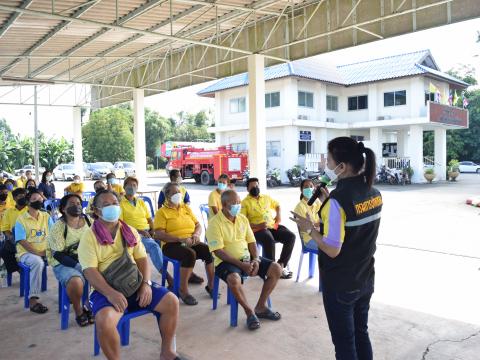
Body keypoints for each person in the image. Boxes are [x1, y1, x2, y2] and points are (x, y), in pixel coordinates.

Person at [291, 137, 382, 360]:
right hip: (365, 278)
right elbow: (351, 227)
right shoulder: (374, 194)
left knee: (344, 343)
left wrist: (308, 228)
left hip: (341, 284)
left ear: (341, 166)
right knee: (361, 334)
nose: (326, 167)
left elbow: (332, 249)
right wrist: (329, 201)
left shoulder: (337, 202)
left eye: (329, 161)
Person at [78, 190, 180, 360]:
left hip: (135, 283)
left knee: (171, 301)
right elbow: (89, 271)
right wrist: (111, 293)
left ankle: (167, 352)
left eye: (115, 203)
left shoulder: (129, 230)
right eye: (106, 205)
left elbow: (141, 259)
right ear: (96, 211)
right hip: (107, 288)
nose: (113, 207)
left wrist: (146, 284)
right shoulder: (89, 237)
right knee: (104, 320)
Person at [207, 190, 282, 330]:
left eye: (239, 202)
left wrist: (256, 260)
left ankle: (260, 306)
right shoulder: (214, 223)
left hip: (247, 259)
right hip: (226, 262)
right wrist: (242, 265)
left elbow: (252, 242)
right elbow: (218, 252)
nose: (238, 205)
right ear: (224, 204)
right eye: (234, 203)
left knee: (276, 269)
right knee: (234, 279)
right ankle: (249, 313)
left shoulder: (242, 219)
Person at [154, 182, 214, 306]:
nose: (178, 194)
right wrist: (180, 239)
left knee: (208, 250)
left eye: (179, 192)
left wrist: (196, 235)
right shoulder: (162, 212)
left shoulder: (185, 208)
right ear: (167, 195)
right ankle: (183, 290)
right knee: (189, 254)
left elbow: (197, 224)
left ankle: (211, 286)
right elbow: (158, 234)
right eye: (174, 192)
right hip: (171, 245)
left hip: (191, 240)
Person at [47, 194, 94, 327]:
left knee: (106, 273)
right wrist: (78, 266)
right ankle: (78, 310)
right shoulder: (59, 226)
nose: (77, 206)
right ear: (63, 209)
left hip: (86, 259)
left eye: (79, 203)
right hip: (63, 263)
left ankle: (90, 304)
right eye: (72, 204)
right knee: (76, 281)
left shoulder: (89, 221)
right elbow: (58, 255)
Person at [241, 178, 295, 279]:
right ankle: (270, 269)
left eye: (256, 186)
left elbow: (277, 205)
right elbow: (243, 222)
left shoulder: (266, 197)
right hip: (257, 230)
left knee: (291, 236)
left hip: (271, 226)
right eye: (252, 187)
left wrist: (278, 215)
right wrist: (258, 226)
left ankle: (280, 265)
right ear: (247, 189)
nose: (255, 188)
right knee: (268, 239)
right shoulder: (244, 203)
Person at [119, 177, 168, 280]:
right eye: (129, 185)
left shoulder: (140, 202)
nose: (132, 187)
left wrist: (152, 229)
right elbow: (121, 224)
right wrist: (140, 231)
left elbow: (149, 219)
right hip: (133, 234)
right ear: (124, 187)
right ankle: (166, 275)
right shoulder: (121, 204)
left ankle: (184, 270)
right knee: (154, 246)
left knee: (165, 240)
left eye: (134, 185)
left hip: (147, 232)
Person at [14, 189, 53, 314]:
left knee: (67, 258)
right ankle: (33, 300)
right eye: (35, 199)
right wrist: (39, 253)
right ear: (28, 202)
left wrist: (51, 250)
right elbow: (22, 241)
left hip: (45, 251)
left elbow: (54, 235)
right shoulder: (21, 219)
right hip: (26, 253)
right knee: (38, 263)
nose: (39, 201)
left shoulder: (46, 216)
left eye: (41, 199)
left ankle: (71, 292)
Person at [0, 187, 29, 274]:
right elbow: (5, 228)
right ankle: (18, 269)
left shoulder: (30, 209)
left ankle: (23, 269)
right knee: (4, 251)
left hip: (30, 238)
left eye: (25, 196)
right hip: (14, 237)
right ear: (14, 198)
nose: (23, 198)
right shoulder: (9, 211)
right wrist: (10, 236)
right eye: (20, 196)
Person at [293, 179, 322, 251]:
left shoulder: (317, 201)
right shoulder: (299, 207)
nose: (309, 188)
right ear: (301, 189)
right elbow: (303, 228)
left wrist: (317, 225)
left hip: (322, 233)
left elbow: (326, 217)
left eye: (311, 186)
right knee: (329, 249)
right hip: (309, 238)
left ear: (314, 188)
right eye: (306, 187)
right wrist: (317, 225)